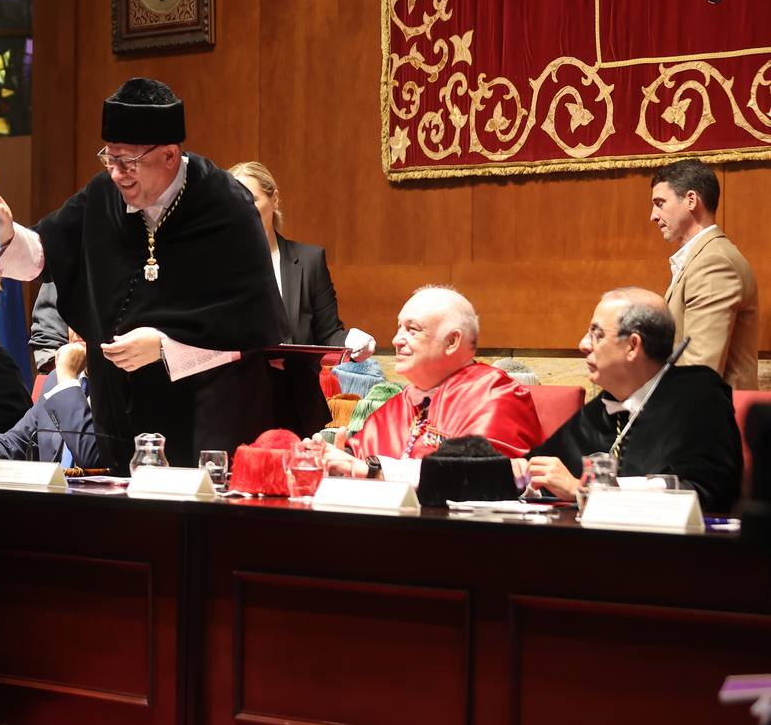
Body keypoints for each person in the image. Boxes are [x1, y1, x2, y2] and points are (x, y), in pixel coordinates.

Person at [0, 77, 289, 472]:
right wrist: (8, 233)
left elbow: (251, 334)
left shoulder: (227, 207)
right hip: (121, 420)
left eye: (129, 162)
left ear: (170, 155)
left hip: (206, 423)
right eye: (109, 159)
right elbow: (43, 253)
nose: (117, 174)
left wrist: (165, 347)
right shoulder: (102, 197)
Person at [520, 287, 741, 512]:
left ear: (633, 346)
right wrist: (521, 474)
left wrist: (584, 490)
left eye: (597, 334)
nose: (583, 344)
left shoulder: (699, 398)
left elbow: (701, 492)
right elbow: (545, 475)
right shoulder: (604, 406)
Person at [312, 286, 544, 483]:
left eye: (412, 330)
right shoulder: (400, 403)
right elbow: (358, 457)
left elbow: (482, 477)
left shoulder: (496, 394)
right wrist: (334, 457)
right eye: (399, 327)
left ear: (452, 341)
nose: (396, 340)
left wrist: (375, 472)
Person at [229, 160, 375, 435]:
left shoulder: (309, 260)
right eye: (235, 202)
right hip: (236, 400)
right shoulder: (217, 266)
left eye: (252, 199)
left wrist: (352, 343)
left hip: (296, 402)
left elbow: (329, 332)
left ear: (274, 198)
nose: (244, 210)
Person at [649, 158, 759, 389]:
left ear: (691, 200)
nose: (653, 215)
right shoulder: (702, 257)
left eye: (660, 203)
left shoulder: (714, 262)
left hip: (714, 419)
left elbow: (700, 371)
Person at [0, 337, 100, 467]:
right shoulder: (55, 379)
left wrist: (67, 380)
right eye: (73, 319)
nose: (76, 328)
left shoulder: (120, 387)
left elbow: (92, 460)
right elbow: (16, 442)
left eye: (88, 318)